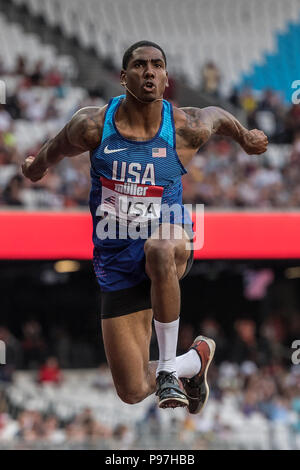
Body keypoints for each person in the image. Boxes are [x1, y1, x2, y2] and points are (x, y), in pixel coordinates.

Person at [22, 40, 268, 413]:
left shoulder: (184, 128)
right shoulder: (92, 125)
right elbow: (56, 147)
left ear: (166, 76)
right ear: (123, 77)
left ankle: (169, 367)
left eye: (157, 65)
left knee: (159, 247)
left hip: (171, 238)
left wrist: (246, 137)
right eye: (140, 65)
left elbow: (217, 114)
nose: (149, 71)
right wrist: (35, 167)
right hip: (116, 256)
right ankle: (195, 360)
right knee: (133, 388)